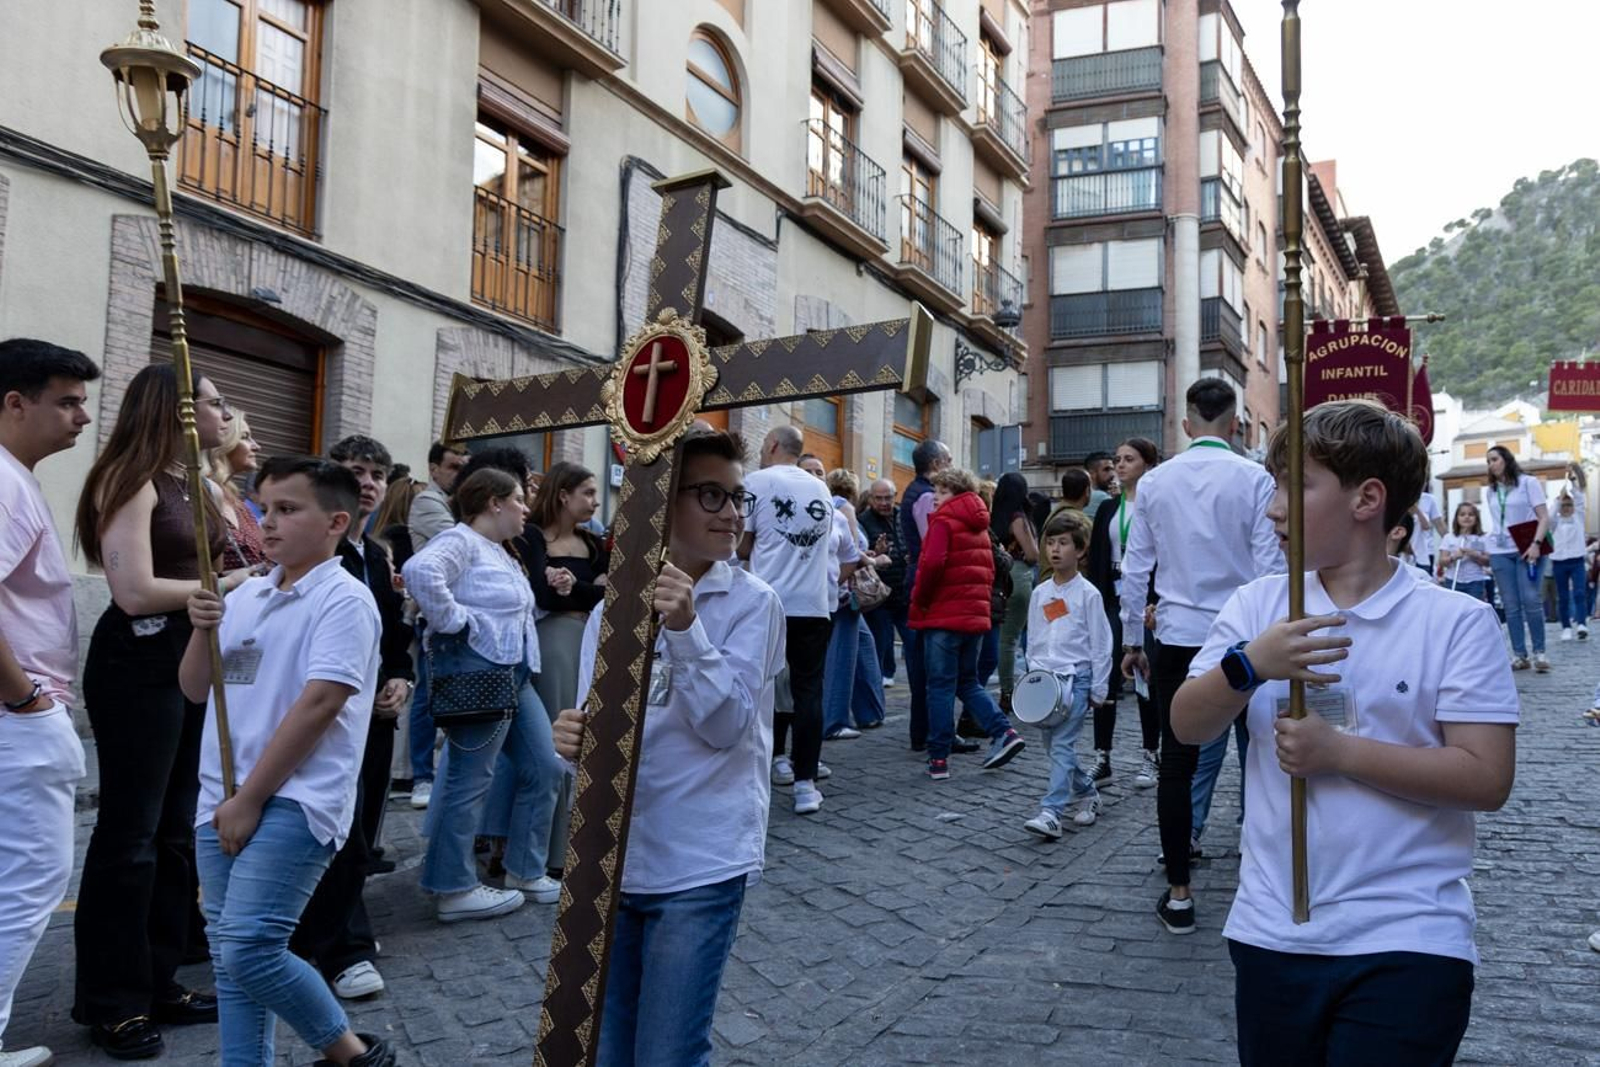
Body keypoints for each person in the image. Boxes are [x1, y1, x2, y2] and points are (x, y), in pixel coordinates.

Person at [1173, 399, 1517, 1064]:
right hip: (1275, 930)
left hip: (1410, 936)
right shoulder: (1257, 605)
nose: (1272, 507)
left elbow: (1485, 775)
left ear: (1368, 498)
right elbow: (1188, 724)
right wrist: (1250, 665)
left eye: (1293, 485)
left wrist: (1340, 751)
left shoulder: (1455, 623)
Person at [552, 429, 784, 1067]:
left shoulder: (752, 603)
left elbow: (728, 725)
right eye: (712, 495)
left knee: (668, 1053)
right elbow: (594, 731)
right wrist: (569, 739)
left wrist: (685, 629)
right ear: (660, 502)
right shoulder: (612, 610)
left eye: (739, 497)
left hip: (702, 857)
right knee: (607, 1050)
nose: (734, 513)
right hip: (617, 855)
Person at [179, 457, 395, 1067]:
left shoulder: (344, 598)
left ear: (336, 522)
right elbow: (197, 689)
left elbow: (321, 702)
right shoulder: (245, 595)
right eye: (262, 508)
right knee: (228, 956)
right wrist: (202, 629)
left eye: (287, 509)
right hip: (220, 793)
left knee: (250, 945)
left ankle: (351, 1053)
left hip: (297, 797)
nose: (267, 523)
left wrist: (250, 800)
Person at [71, 365, 253, 1059]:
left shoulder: (189, 482)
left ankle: (159, 977)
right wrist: (228, 581)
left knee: (178, 827)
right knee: (132, 833)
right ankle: (111, 1000)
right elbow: (134, 590)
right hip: (138, 665)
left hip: (188, 655)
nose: (223, 412)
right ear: (176, 408)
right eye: (213, 401)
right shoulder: (130, 478)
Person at [1119, 378, 1279, 936]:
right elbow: (1269, 566)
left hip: (1180, 636)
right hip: (1243, 634)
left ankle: (1181, 893)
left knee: (1177, 760)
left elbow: (1136, 566)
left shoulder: (1156, 483)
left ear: (1187, 425)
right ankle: (1267, 876)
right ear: (1234, 424)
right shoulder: (1255, 478)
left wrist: (1130, 641)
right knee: (1259, 753)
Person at [402, 467, 564, 920]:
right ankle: (452, 887)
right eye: (518, 499)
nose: (526, 507)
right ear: (494, 502)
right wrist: (456, 622)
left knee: (545, 766)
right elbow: (419, 571)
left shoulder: (498, 550)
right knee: (470, 779)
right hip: (479, 672)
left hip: (513, 674)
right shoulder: (461, 541)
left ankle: (525, 870)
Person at [0, 339, 99, 1067]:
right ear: (14, 402)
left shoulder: (15, 479)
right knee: (31, 880)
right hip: (17, 715)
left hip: (19, 711)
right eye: (66, 400)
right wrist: (29, 698)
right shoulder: (4, 483)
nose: (82, 415)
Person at [289, 436, 414, 1002]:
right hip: (324, 710)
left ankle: (333, 930)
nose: (367, 481)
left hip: (374, 714)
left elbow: (392, 634)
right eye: (355, 470)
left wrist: (400, 677)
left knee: (361, 831)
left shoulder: (378, 553)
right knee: (328, 827)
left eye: (377, 474)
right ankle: (342, 949)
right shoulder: (317, 550)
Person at [520, 462, 609, 879]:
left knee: (586, 739)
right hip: (553, 642)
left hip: (588, 640)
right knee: (559, 744)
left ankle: (577, 842)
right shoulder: (533, 536)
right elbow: (542, 594)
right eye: (588, 493)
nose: (594, 501)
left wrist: (577, 589)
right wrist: (587, 591)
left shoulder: (594, 544)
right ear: (563, 495)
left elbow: (607, 595)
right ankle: (553, 853)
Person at [910, 467, 1027, 781]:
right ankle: (1004, 731)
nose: (935, 497)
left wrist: (919, 599)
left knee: (940, 686)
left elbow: (931, 565)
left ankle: (938, 759)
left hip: (943, 616)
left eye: (942, 491)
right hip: (974, 617)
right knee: (967, 682)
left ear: (957, 493)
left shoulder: (943, 523)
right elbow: (990, 572)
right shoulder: (979, 527)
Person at [740, 426, 834, 815]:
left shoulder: (757, 481)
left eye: (763, 446)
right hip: (814, 605)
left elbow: (742, 544)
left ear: (773, 446)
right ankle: (805, 784)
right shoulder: (822, 489)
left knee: (760, 688)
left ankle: (757, 773)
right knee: (808, 693)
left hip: (768, 601)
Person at [1021, 511, 1111, 838]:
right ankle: (1087, 792)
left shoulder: (1089, 595)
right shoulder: (1040, 593)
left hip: (1077, 679)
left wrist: (1098, 688)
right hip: (1047, 682)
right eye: (1050, 543)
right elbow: (1033, 639)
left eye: (1063, 543)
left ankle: (1051, 812)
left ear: (1081, 550)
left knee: (1061, 746)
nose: (1055, 550)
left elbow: (1101, 644)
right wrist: (1034, 677)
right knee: (1054, 747)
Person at [1084, 438, 1160, 790]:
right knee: (1107, 674)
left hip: (1146, 602)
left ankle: (1151, 754)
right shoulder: (1107, 508)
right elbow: (1098, 558)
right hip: (1112, 600)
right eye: (1117, 459)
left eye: (1129, 459)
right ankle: (1103, 757)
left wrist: (1158, 600)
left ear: (1148, 463)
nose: (1120, 465)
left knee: (1145, 677)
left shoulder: (1157, 505)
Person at [403, 441, 468, 809]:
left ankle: (437, 774)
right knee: (428, 697)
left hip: (453, 613)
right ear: (434, 469)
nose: (460, 473)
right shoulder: (430, 502)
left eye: (464, 467)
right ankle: (422, 777)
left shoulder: (452, 503)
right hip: (434, 615)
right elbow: (465, 541)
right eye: (454, 467)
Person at [821, 468, 886, 739]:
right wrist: (874, 560)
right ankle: (835, 721)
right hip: (845, 592)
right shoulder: (843, 507)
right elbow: (850, 551)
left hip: (838, 589)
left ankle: (869, 713)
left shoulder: (825, 506)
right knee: (843, 656)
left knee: (863, 646)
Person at [899, 438, 952, 751]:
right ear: (936, 465)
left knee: (926, 665)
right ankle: (927, 732)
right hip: (923, 587)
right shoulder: (925, 497)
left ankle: (926, 731)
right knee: (926, 666)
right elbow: (931, 545)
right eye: (947, 459)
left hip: (918, 581)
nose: (951, 463)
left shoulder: (919, 493)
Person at [1484, 445, 1551, 671]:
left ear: (1506, 459)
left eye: (1494, 459)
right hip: (1499, 551)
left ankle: (1540, 652)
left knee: (1531, 599)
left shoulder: (1528, 483)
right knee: (1511, 605)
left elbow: (1544, 517)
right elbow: (1497, 521)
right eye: (1488, 461)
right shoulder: (1491, 490)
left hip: (1527, 547)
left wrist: (1536, 544)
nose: (1491, 464)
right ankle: (1520, 655)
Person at [991, 472, 1039, 714]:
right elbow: (1032, 554)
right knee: (1010, 640)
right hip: (1019, 576)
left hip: (1002, 578)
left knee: (1005, 639)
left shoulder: (995, 516)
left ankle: (1007, 691)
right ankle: (1008, 693)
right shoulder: (1018, 517)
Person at [858, 478, 909, 685]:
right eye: (878, 498)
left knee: (912, 641)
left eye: (888, 497)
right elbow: (861, 554)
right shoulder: (863, 520)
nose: (884, 502)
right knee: (880, 641)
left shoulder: (903, 517)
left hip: (904, 592)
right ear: (871, 498)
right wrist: (876, 553)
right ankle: (880, 678)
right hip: (878, 594)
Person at [206, 411, 267, 571]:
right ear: (224, 443)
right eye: (245, 437)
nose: (257, 447)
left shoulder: (236, 501)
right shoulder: (202, 493)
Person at [1551, 469, 1587, 640]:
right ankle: (1565, 626)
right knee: (1563, 595)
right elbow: (1549, 515)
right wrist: (1559, 498)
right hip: (1559, 562)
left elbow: (1580, 499)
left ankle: (1581, 623)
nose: (1566, 508)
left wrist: (1572, 483)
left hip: (1577, 560)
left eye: (1569, 505)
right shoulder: (1555, 522)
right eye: (1564, 505)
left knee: (1579, 592)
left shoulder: (1578, 517)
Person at [1439, 502, 1491, 603]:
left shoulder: (1482, 538)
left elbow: (1488, 562)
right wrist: (1454, 557)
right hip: (1452, 580)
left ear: (1476, 518)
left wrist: (1475, 555)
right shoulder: (1449, 537)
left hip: (1475, 582)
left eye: (1471, 514)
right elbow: (1442, 562)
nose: (1466, 517)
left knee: (1474, 611)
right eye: (1462, 514)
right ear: (1456, 518)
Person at [1408, 489, 1446, 578]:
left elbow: (1438, 525)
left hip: (1424, 553)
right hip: (1402, 554)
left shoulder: (1428, 499)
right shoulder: (1396, 497)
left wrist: (1450, 547)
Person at [1083, 451, 1116, 519]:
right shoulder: (1100, 496)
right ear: (1092, 473)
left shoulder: (1082, 495)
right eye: (1106, 470)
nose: (1112, 474)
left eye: (1113, 469)